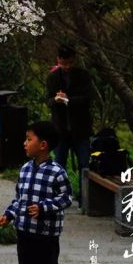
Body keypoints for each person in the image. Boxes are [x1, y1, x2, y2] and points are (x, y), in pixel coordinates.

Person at [0, 120, 72, 264]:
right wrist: (9, 214)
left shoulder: (57, 172)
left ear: (43, 145)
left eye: (29, 139)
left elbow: (66, 198)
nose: (24, 143)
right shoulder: (24, 170)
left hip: (46, 235)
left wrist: (44, 207)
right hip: (24, 232)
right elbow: (19, 199)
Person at [46, 43, 93, 204]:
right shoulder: (52, 77)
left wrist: (68, 100)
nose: (66, 67)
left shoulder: (83, 75)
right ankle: (61, 196)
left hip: (80, 128)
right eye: (63, 63)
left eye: (69, 63)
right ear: (58, 60)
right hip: (60, 128)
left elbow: (87, 98)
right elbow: (48, 100)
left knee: (84, 164)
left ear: (74, 60)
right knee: (59, 164)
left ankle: (84, 197)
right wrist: (56, 100)